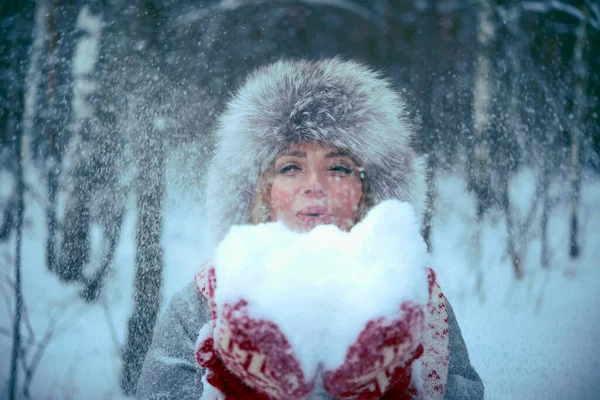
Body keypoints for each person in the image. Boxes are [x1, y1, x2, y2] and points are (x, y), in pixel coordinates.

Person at [136, 58, 484, 400]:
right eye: (291, 167)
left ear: (369, 192)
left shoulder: (419, 299)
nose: (315, 185)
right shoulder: (201, 305)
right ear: (261, 190)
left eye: (338, 167)